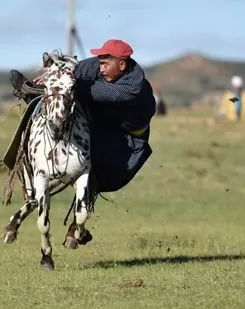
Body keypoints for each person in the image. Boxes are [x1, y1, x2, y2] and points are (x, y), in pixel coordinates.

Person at [9, 38, 156, 197]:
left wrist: (66, 83)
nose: (101, 68)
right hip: (103, 117)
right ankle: (35, 95)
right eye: (100, 63)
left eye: (105, 64)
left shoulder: (133, 87)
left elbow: (103, 93)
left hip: (125, 136)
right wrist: (56, 75)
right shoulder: (101, 66)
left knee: (102, 170)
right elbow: (74, 71)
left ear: (122, 65)